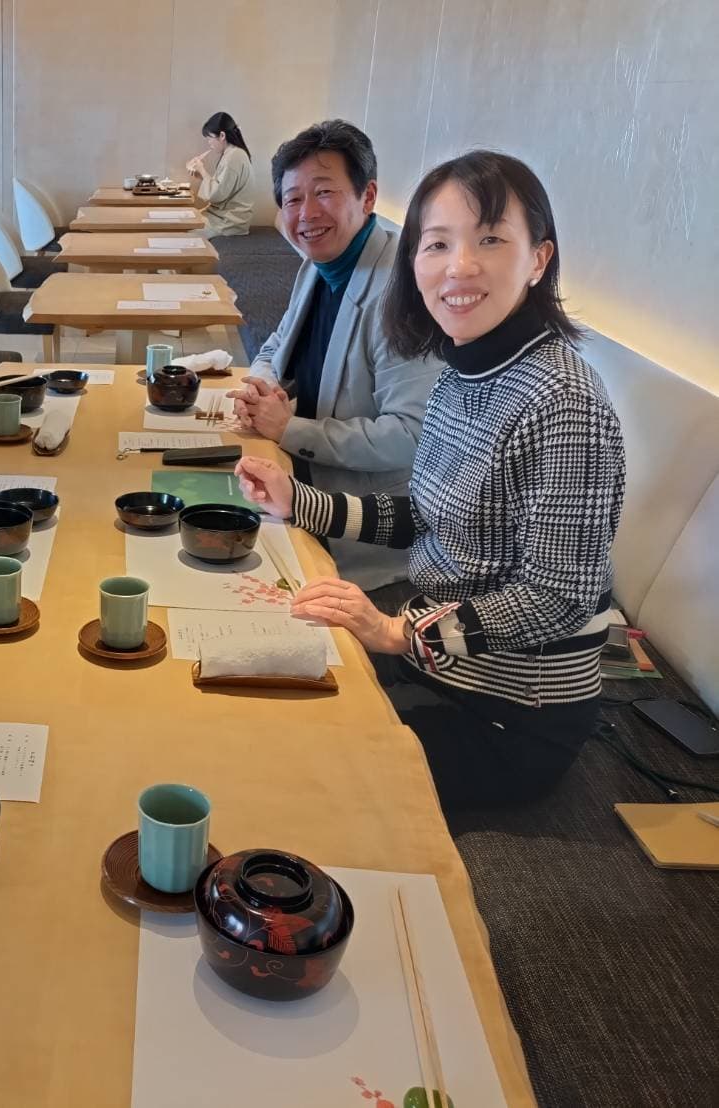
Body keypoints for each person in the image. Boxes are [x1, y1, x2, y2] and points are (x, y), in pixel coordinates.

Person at [236, 150, 625, 811]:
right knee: (250, 685)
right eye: (437, 244)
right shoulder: (463, 371)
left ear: (538, 259)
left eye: (490, 239)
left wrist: (398, 634)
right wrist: (298, 500)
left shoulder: (563, 402)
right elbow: (423, 515)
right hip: (444, 666)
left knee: (288, 779)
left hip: (510, 717)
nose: (459, 266)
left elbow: (558, 597)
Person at [235, 119, 439, 595]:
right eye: (292, 199)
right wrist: (262, 385)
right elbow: (274, 344)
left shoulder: (402, 292)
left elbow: (411, 437)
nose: (307, 212)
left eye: (324, 192)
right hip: (296, 486)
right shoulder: (317, 265)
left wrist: (288, 429)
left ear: (368, 197)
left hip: (363, 537)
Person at [186, 111, 253, 239]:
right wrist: (201, 176)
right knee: (184, 220)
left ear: (222, 135)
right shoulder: (232, 154)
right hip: (220, 216)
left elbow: (217, 195)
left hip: (229, 221)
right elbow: (221, 187)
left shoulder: (234, 156)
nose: (209, 143)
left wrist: (202, 170)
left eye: (210, 138)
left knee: (183, 231)